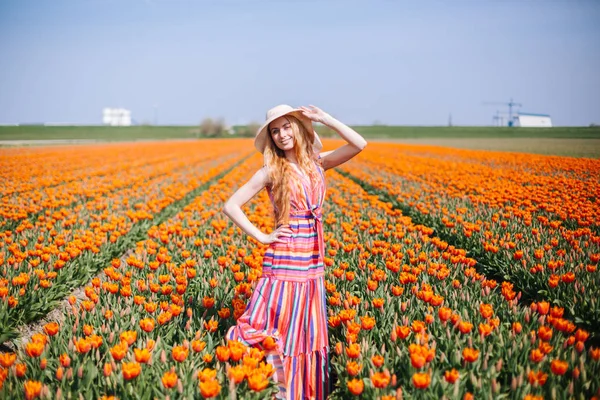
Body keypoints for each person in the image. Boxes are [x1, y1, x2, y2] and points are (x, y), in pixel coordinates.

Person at [222, 104, 367, 399]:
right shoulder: (271, 171)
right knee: (275, 322)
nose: (281, 135)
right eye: (275, 131)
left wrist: (325, 118)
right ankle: (268, 386)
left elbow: (358, 144)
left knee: (306, 328)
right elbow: (231, 205)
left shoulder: (317, 162)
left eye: (287, 127)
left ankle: (302, 392)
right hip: (285, 255)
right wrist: (262, 236)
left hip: (312, 256)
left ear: (299, 129)